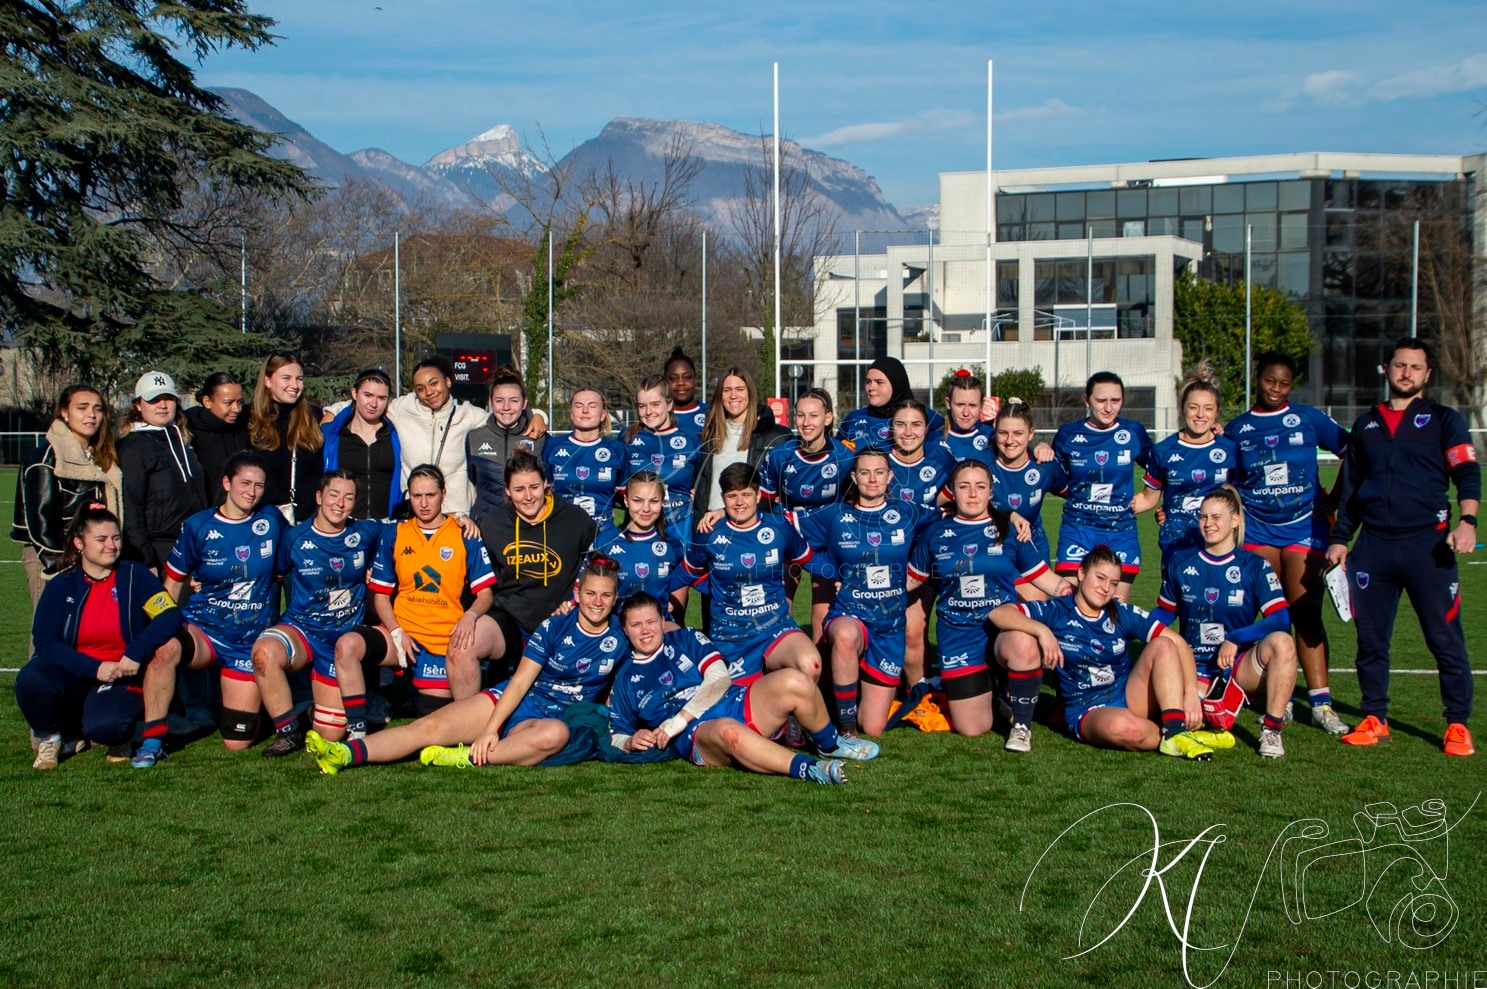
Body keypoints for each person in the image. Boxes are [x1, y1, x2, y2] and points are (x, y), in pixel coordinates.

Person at [305, 558, 628, 773]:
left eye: (605, 595)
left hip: (550, 720)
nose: (597, 602)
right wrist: (490, 728)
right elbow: (519, 683)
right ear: (578, 592)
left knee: (554, 734)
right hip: (516, 700)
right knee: (427, 729)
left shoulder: (621, 635)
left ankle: (466, 756)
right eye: (590, 593)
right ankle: (344, 754)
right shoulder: (555, 626)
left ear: (615, 599)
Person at [1327, 338, 1479, 756]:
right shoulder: (1366, 425)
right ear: (1386, 369)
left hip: (1428, 547)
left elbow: (1467, 472)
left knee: (1444, 637)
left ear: (1427, 374)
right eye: (1399, 365)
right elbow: (1352, 493)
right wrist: (1341, 539)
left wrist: (1467, 522)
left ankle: (1457, 724)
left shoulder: (1443, 420)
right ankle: (1375, 717)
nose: (1406, 373)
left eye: (1415, 367)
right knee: (1371, 640)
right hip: (1373, 547)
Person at [606, 593, 879, 783]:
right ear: (625, 629)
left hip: (730, 700)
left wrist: (675, 722)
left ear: (661, 620)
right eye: (636, 624)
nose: (645, 630)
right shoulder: (626, 678)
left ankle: (829, 744)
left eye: (651, 621)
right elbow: (616, 734)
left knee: (795, 680)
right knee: (729, 732)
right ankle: (809, 769)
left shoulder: (684, 638)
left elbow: (719, 679)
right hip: (697, 733)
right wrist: (630, 741)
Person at [132, 452, 290, 767]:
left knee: (237, 742)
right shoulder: (198, 526)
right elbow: (172, 585)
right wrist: (158, 629)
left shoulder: (272, 520)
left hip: (248, 640)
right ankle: (151, 740)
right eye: (245, 483)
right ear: (226, 483)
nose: (252, 491)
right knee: (165, 649)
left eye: (259, 485)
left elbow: (291, 566)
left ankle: (256, 710)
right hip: (203, 629)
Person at [989, 546, 1216, 760]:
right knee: (1124, 729)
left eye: (1114, 582)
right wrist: (1041, 631)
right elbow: (999, 613)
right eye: (1100, 578)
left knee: (1164, 645)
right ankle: (1177, 733)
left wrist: (1190, 697)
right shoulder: (1058, 610)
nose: (1106, 588)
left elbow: (1178, 643)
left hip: (1129, 695)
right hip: (1087, 708)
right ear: (1081, 573)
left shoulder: (1121, 612)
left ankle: (1175, 730)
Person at [1228, 351, 1351, 735]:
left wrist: (1333, 499)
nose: (1276, 390)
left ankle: (1321, 704)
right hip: (1258, 532)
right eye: (1269, 382)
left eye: (1284, 384)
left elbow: (1353, 453)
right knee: (1267, 615)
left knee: (1306, 614)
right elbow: (1224, 481)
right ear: (1257, 379)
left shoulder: (1308, 418)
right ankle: (1273, 695)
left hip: (1303, 529)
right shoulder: (1238, 428)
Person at [907, 459, 1067, 743]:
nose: (972, 494)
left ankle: (1022, 727)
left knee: (1023, 642)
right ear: (952, 492)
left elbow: (1046, 578)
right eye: (964, 486)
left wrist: (1083, 592)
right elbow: (911, 580)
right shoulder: (934, 533)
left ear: (990, 491)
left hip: (1002, 628)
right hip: (958, 633)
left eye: (980, 487)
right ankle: (993, 696)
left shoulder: (1008, 530)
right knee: (972, 727)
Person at [331, 464, 496, 738]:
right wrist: (396, 631)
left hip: (444, 638)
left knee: (436, 717)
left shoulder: (465, 534)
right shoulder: (395, 533)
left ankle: (410, 696)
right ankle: (357, 730)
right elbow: (381, 596)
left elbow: (486, 594)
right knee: (347, 645)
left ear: (444, 493)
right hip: (402, 636)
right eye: (417, 496)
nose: (423, 503)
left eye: (430, 495)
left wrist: (470, 616)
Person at [15, 508, 182, 769]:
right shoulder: (62, 584)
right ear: (79, 543)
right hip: (77, 673)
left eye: (116, 538)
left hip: (120, 674)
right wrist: (94, 668)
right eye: (101, 539)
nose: (111, 546)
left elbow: (169, 616)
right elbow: (45, 641)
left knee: (110, 727)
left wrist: (134, 653)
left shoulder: (134, 576)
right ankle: (52, 738)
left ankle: (116, 732)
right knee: (31, 678)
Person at [797, 448, 933, 736]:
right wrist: (830, 571)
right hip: (849, 612)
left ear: (890, 476)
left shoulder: (907, 512)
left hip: (890, 624)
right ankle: (845, 727)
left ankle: (852, 702)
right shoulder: (835, 514)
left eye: (879, 472)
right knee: (845, 635)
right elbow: (787, 533)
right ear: (854, 477)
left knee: (873, 727)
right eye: (865, 472)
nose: (872, 479)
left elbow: (952, 520)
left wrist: (1008, 516)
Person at [249, 470, 385, 756]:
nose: (340, 503)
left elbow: (411, 528)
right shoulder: (295, 537)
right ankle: (287, 732)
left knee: (331, 733)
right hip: (302, 630)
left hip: (341, 639)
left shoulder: (365, 532)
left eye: (348, 498)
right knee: (264, 652)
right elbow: (271, 576)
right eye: (334, 495)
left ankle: (312, 708)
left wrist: (459, 519)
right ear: (319, 497)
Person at [1154, 488, 1297, 758]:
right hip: (1192, 669)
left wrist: (1236, 638)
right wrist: (1131, 622)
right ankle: (1211, 720)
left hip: (1238, 671)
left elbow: (1281, 618)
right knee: (1177, 720)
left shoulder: (1255, 566)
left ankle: (1271, 730)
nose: (1208, 523)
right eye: (1203, 517)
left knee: (1283, 643)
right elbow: (1164, 613)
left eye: (1216, 517)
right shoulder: (1180, 561)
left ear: (1234, 520)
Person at [325, 355, 546, 519]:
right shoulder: (401, 409)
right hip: (414, 512)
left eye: (434, 383)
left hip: (456, 514)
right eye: (420, 388)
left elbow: (506, 412)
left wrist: (538, 416)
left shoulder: (470, 415)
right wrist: (331, 412)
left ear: (448, 382)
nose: (428, 391)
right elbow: (367, 403)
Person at [679, 463, 818, 681]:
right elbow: (686, 573)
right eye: (732, 496)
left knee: (810, 664)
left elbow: (811, 561)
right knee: (740, 708)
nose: (740, 502)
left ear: (759, 495)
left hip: (775, 628)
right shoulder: (709, 532)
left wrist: (845, 576)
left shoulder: (779, 526)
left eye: (746, 494)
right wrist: (711, 589)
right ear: (723, 498)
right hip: (731, 636)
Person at [476, 451, 599, 687]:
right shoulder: (493, 524)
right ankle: (470, 719)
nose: (528, 496)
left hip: (561, 619)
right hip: (511, 619)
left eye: (534, 487)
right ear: (507, 491)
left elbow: (599, 567)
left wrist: (576, 599)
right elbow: (485, 581)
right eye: (519, 489)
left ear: (546, 484)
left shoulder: (575, 519)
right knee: (466, 644)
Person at [12, 385, 124, 610]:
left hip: (93, 554)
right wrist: (61, 567)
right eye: (82, 408)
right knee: (50, 632)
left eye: (97, 409)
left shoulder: (103, 457)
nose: (91, 415)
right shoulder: (46, 459)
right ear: (64, 412)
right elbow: (41, 524)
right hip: (56, 558)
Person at [758, 387, 854, 640]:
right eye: (800, 415)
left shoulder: (845, 456)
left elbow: (855, 502)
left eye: (813, 415)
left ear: (828, 418)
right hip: (790, 541)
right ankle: (776, 671)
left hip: (826, 546)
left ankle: (821, 678)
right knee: (778, 609)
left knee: (822, 618)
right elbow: (765, 505)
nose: (806, 422)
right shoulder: (780, 454)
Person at [1051, 371, 1153, 601]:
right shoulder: (1068, 434)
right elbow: (1050, 478)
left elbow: (1164, 467)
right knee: (1068, 602)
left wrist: (1151, 499)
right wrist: (1041, 452)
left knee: (1113, 607)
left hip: (1121, 532)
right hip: (1078, 529)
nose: (1108, 408)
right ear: (1086, 400)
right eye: (1101, 400)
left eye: (1115, 401)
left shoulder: (1133, 432)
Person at [1131, 364, 1239, 579]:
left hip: (1219, 542)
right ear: (1182, 408)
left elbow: (1238, 496)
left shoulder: (1230, 449)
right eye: (1193, 407)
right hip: (1176, 542)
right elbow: (1147, 498)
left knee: (1217, 607)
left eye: (1208, 408)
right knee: (1180, 604)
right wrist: (1109, 507)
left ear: (1216, 411)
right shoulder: (1163, 451)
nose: (1200, 415)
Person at [116, 370, 209, 572]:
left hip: (195, 544)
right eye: (154, 399)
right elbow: (131, 509)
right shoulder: (132, 447)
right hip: (160, 549)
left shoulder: (183, 441)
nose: (163, 405)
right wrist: (146, 559)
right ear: (138, 405)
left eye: (168, 398)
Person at [691, 365, 791, 537]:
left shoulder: (778, 436)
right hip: (714, 529)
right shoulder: (708, 434)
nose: (733, 395)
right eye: (727, 390)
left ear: (750, 393)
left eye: (740, 389)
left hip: (756, 531)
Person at [590, 470, 688, 616]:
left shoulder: (673, 545)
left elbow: (685, 580)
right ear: (626, 501)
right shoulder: (605, 542)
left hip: (656, 632)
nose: (646, 508)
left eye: (654, 501)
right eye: (638, 500)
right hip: (616, 630)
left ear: (662, 503)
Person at [989, 398, 1066, 572]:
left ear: (1031, 434)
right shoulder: (982, 465)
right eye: (1003, 433)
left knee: (1038, 599)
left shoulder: (1045, 466)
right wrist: (1008, 515)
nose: (1010, 440)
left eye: (1018, 433)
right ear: (994, 431)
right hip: (993, 546)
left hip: (1032, 544)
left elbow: (1074, 494)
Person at [247, 353, 324, 526]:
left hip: (306, 523)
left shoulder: (314, 416)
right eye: (286, 378)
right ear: (267, 381)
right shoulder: (250, 419)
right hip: (262, 522)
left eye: (299, 379)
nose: (295, 385)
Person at [467, 365, 546, 524]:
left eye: (514, 401)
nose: (506, 407)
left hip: (528, 526)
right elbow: (472, 479)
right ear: (490, 402)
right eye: (499, 401)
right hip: (485, 524)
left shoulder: (539, 437)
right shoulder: (474, 437)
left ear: (524, 403)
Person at [321, 367, 403, 519]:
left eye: (381, 398)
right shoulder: (333, 435)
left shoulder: (395, 435)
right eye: (367, 395)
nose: (373, 404)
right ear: (354, 393)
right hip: (345, 525)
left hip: (385, 524)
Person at [622, 374, 700, 530]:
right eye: (642, 406)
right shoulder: (627, 438)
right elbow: (619, 487)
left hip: (681, 528)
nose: (648, 411)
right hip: (643, 529)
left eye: (655, 404)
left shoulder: (692, 438)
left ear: (669, 404)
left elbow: (704, 479)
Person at [543, 387, 626, 523]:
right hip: (563, 527)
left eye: (592, 406)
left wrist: (618, 530)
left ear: (603, 414)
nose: (585, 410)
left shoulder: (617, 450)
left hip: (603, 530)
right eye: (579, 406)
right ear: (571, 413)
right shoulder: (552, 446)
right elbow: (545, 494)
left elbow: (622, 498)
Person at [837, 356, 944, 450]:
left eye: (879, 382)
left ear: (896, 384)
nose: (871, 388)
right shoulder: (855, 417)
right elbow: (836, 452)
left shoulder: (922, 415)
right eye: (868, 382)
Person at [184, 372, 248, 502]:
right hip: (206, 514)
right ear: (207, 402)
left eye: (239, 402)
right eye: (228, 402)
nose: (236, 409)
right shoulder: (188, 429)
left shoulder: (244, 426)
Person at [939, 369, 996, 463]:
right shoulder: (934, 439)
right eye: (960, 405)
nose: (966, 413)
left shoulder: (993, 437)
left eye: (972, 405)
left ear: (981, 405)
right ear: (948, 403)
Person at [664, 347, 709, 441]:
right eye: (673, 378)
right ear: (665, 382)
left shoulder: (711, 413)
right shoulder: (657, 415)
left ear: (695, 380)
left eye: (687, 377)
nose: (681, 382)